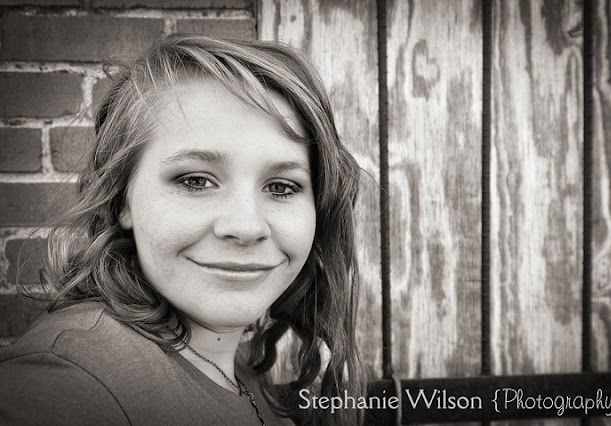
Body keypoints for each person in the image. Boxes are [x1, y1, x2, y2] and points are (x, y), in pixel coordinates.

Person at [0, 34, 365, 425]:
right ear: (122, 199)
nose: (246, 227)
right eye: (196, 181)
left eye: (281, 187)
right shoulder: (74, 381)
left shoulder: (239, 366)